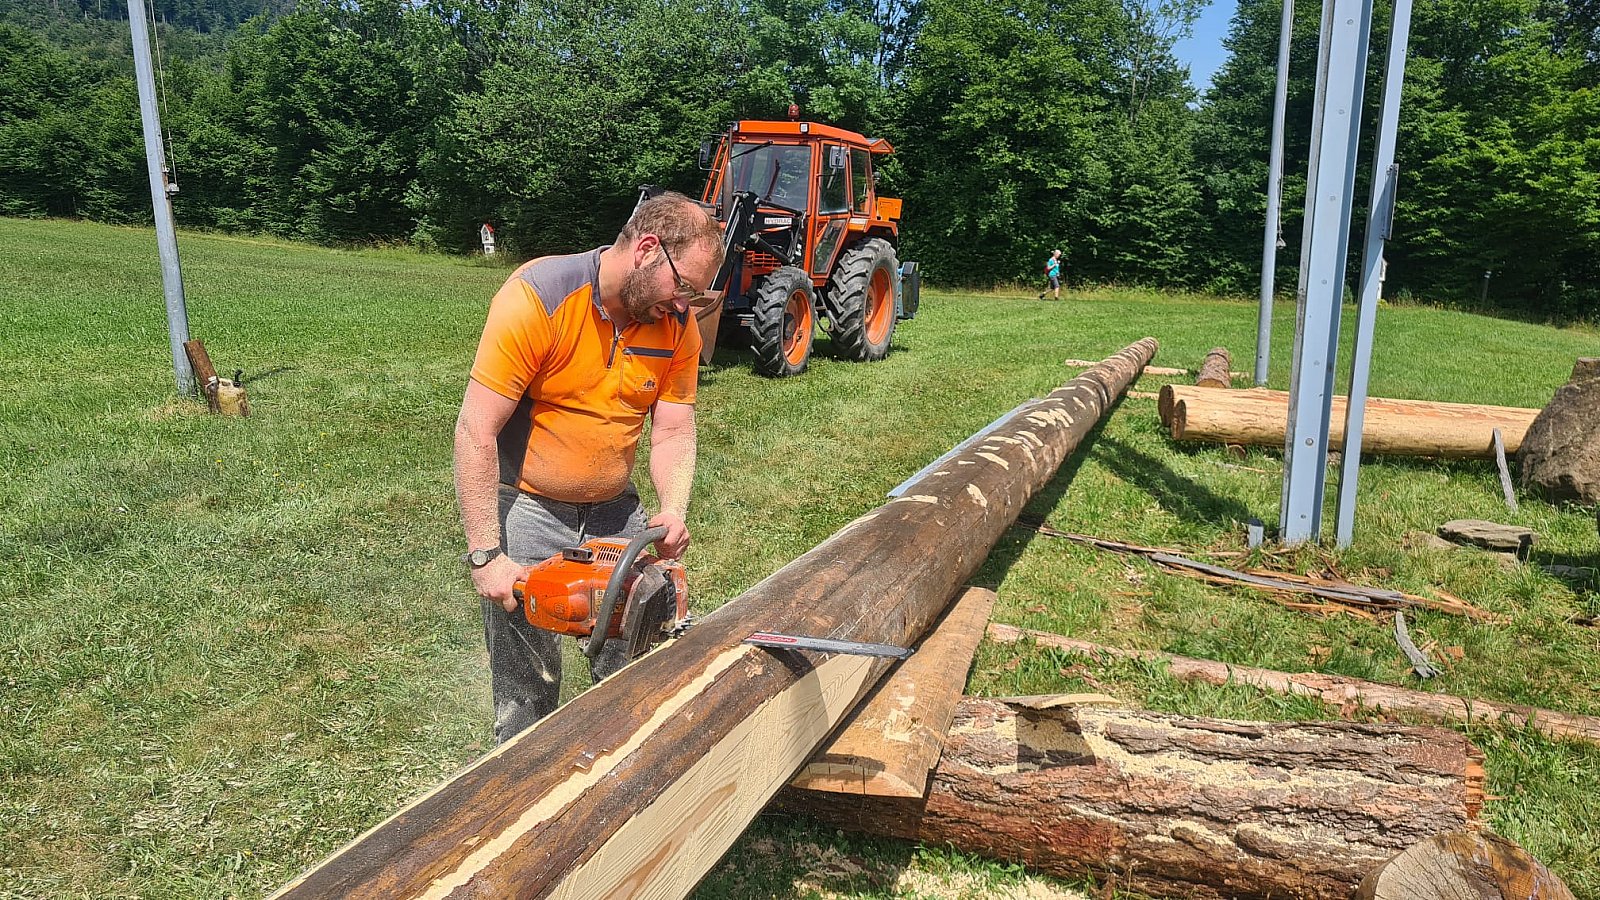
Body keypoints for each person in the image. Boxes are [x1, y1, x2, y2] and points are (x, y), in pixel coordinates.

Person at [453, 191, 724, 744]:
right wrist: (487, 555)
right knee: (526, 686)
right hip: (526, 508)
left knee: (637, 667)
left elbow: (673, 428)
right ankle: (521, 782)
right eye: (685, 288)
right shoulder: (539, 297)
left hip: (616, 514)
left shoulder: (676, 326)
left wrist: (672, 509)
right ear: (648, 250)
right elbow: (475, 430)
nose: (685, 307)